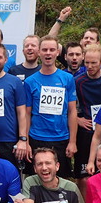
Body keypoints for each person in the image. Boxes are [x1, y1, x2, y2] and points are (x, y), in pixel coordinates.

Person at [24, 35, 78, 178]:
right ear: (39, 52)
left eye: (52, 50)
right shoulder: (30, 81)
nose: (48, 53)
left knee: (60, 182)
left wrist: (72, 142)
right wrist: (26, 141)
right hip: (36, 138)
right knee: (36, 181)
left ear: (57, 53)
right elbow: (26, 114)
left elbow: (72, 111)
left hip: (61, 138)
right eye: (45, 50)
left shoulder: (67, 79)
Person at [73, 43, 101, 199]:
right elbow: (67, 105)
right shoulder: (77, 81)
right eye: (87, 62)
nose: (90, 66)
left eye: (94, 63)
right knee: (84, 177)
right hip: (87, 132)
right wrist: (77, 119)